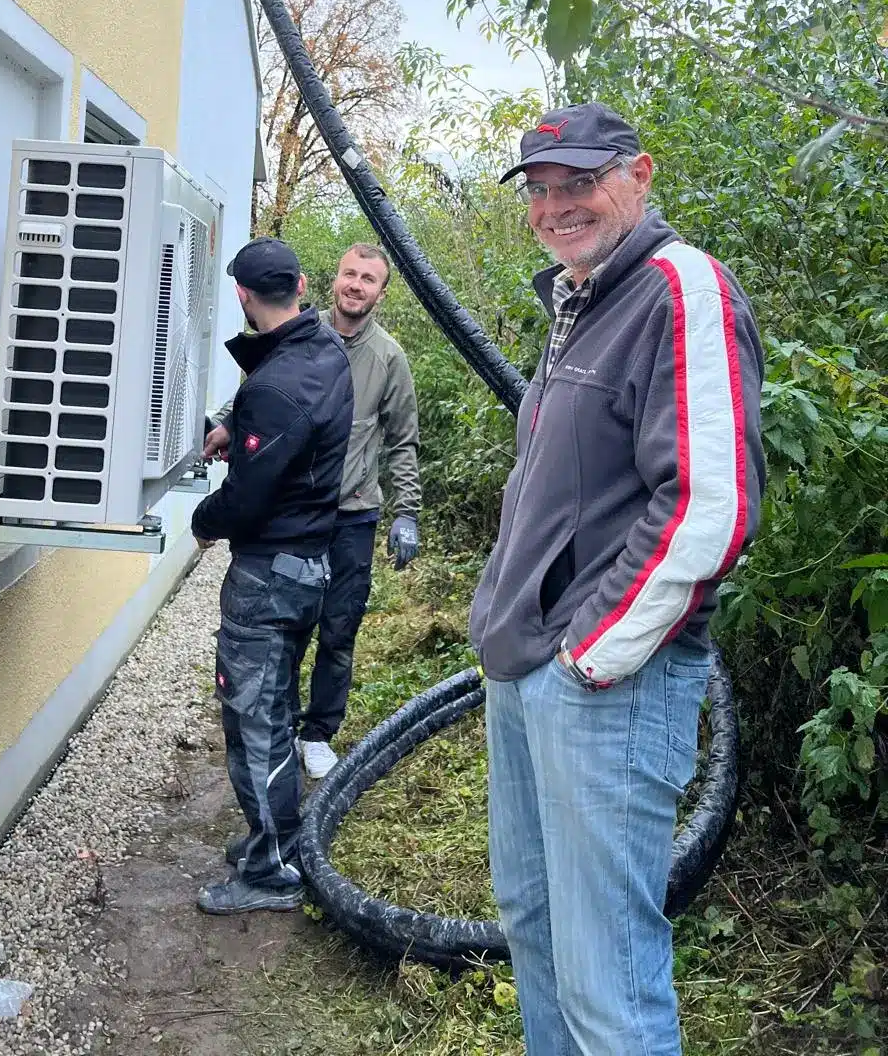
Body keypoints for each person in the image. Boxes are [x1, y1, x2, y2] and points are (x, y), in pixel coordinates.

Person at [468, 102, 765, 1055]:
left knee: (608, 982)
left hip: (605, 686)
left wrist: (588, 659)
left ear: (639, 175)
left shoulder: (682, 290)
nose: (558, 206)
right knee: (536, 925)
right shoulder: (582, 296)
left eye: (581, 182)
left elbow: (709, 508)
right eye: (542, 189)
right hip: (527, 671)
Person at [205, 243, 422, 780]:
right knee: (286, 625)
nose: (356, 284)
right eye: (349, 272)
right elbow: (261, 397)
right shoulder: (303, 337)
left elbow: (401, 442)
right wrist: (229, 424)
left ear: (381, 291)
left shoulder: (388, 359)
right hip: (298, 511)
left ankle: (319, 732)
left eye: (369, 278)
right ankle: (280, 720)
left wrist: (406, 512)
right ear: (326, 281)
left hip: (350, 514)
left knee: (339, 627)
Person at [191, 236, 353, 916]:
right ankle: (274, 837)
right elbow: (286, 442)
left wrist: (203, 517)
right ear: (304, 284)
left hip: (269, 575)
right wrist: (242, 432)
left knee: (255, 718)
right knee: (277, 708)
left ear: (243, 296)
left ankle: (273, 870)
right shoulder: (325, 353)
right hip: (311, 563)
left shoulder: (275, 385)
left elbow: (248, 500)